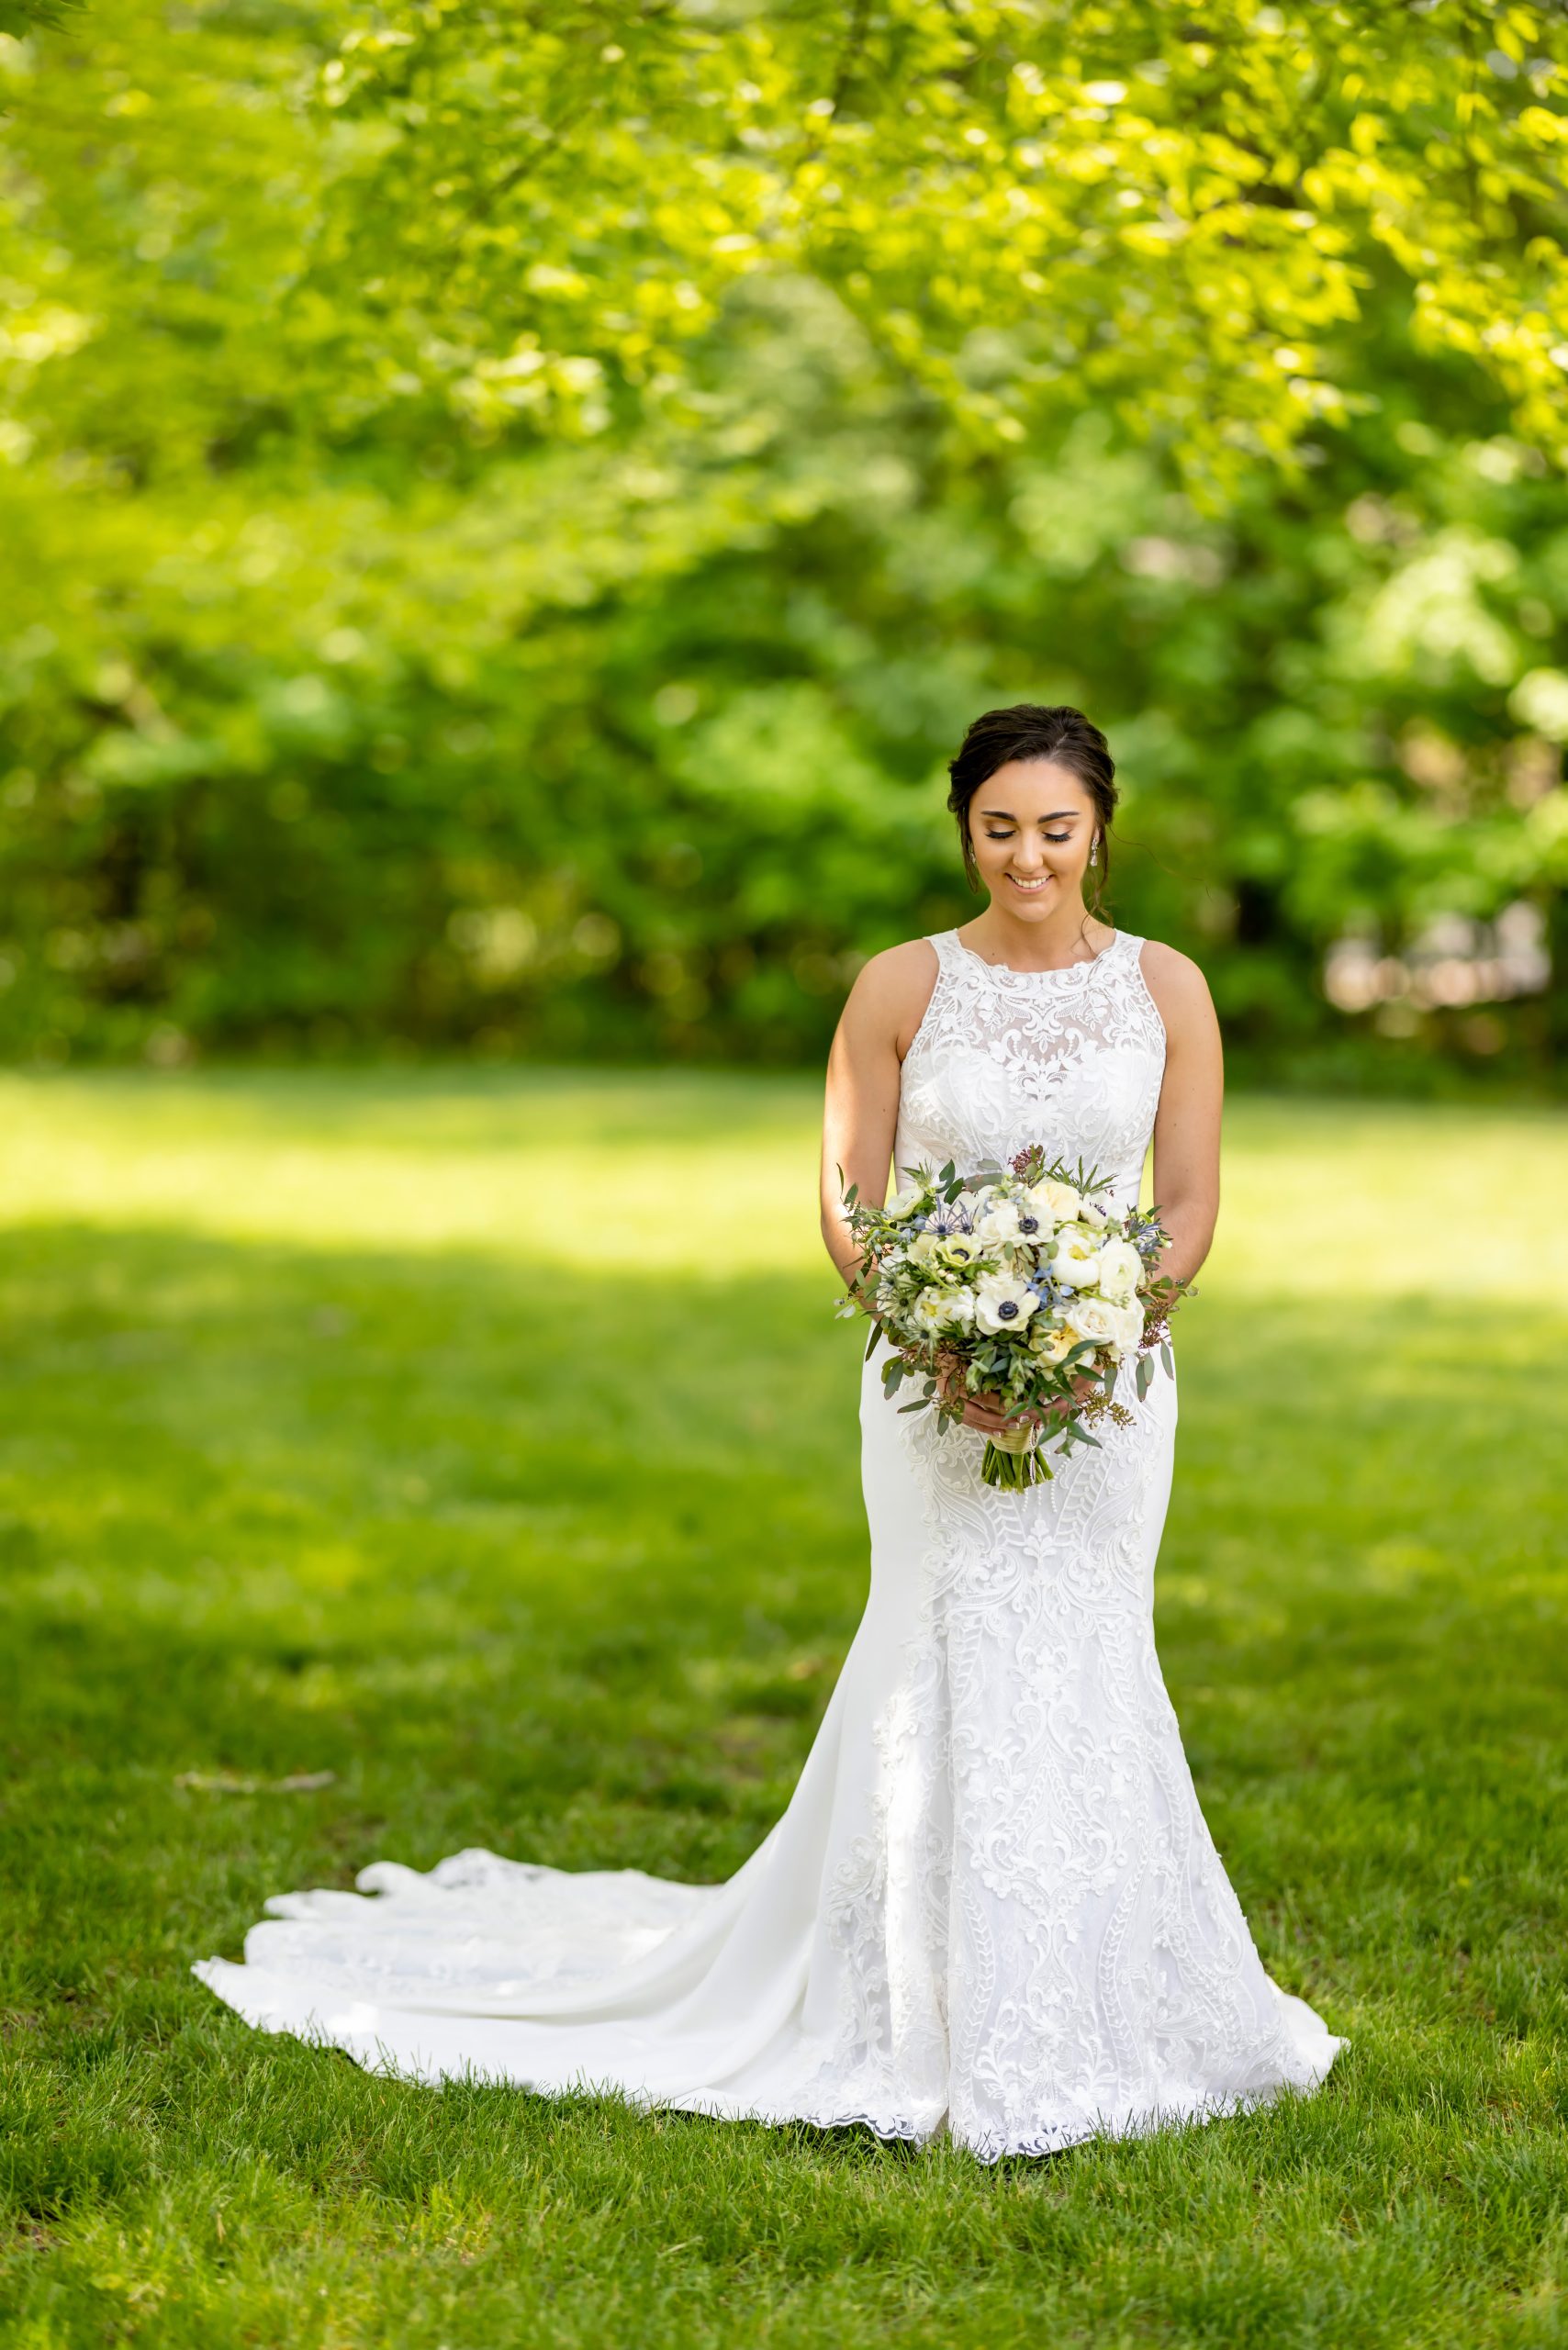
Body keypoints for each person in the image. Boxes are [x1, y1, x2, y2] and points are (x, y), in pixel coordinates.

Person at [193, 701, 1344, 2161]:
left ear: (1100, 827)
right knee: (939, 1650)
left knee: (1090, 1657)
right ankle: (912, 2007)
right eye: (999, 829)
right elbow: (849, 1201)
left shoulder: (1169, 988)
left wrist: (1098, 1334)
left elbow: (1186, 1201)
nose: (1029, 857)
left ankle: (1095, 1994)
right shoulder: (899, 987)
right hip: (928, 1390)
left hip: (1114, 1394)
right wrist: (939, 1335)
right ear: (964, 830)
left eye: (1056, 828)